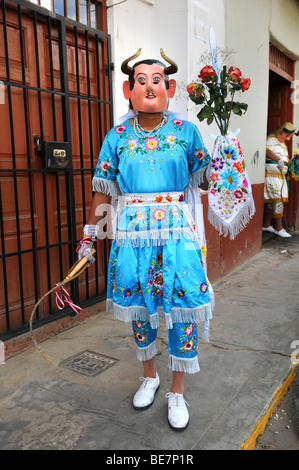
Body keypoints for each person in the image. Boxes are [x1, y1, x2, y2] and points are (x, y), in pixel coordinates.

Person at [77, 49, 213, 431]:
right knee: (141, 309)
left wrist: (224, 158)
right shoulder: (116, 136)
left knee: (183, 308)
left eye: (157, 81)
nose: (150, 87)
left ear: (169, 88)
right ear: (128, 89)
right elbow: (102, 190)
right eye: (142, 81)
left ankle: (177, 391)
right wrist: (90, 236)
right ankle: (149, 376)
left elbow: (206, 180)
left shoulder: (187, 133)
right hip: (132, 233)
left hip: (176, 232)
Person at [263, 122, 296, 238]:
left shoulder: (282, 144)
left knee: (273, 201)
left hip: (280, 176)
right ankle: (279, 228)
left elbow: (284, 160)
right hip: (271, 175)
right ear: (281, 132)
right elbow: (266, 151)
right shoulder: (272, 139)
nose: (288, 139)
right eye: (287, 136)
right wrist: (278, 160)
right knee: (278, 200)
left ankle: (266, 225)